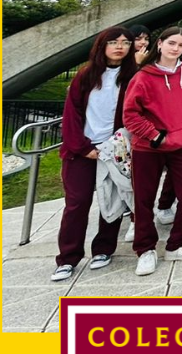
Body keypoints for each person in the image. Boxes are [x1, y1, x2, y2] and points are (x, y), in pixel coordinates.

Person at [51, 27, 137, 282]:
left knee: (111, 200)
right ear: (102, 46)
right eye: (113, 42)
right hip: (82, 150)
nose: (119, 46)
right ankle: (67, 258)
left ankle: (103, 249)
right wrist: (83, 147)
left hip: (114, 149)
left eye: (125, 42)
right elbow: (72, 114)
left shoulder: (132, 76)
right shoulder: (86, 76)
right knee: (76, 203)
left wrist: (114, 145)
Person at [122, 27, 182, 276]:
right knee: (144, 199)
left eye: (181, 45)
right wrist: (155, 135)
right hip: (149, 147)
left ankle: (176, 243)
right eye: (172, 43)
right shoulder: (143, 76)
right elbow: (130, 114)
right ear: (159, 44)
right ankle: (145, 249)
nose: (176, 49)